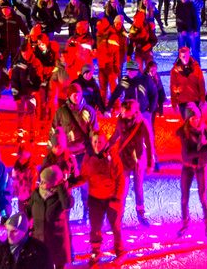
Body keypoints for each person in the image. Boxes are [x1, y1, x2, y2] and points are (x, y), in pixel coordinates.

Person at [80, 131, 125, 264]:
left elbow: (120, 178)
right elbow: (84, 175)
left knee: (115, 227)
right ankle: (95, 251)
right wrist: (70, 183)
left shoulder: (112, 156)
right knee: (95, 228)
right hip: (95, 198)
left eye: (100, 142)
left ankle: (120, 251)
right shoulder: (88, 157)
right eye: (94, 142)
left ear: (105, 142)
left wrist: (117, 198)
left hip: (111, 198)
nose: (97, 145)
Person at [109, 99, 153, 227]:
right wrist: (105, 148)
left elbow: (149, 144)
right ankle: (119, 215)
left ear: (132, 112)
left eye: (124, 110)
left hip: (138, 159)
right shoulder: (120, 121)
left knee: (138, 187)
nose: (121, 112)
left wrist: (150, 162)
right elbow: (115, 136)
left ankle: (141, 213)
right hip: (124, 158)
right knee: (122, 188)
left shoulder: (142, 123)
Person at [176, 103, 207, 238]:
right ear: (187, 120)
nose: (196, 121)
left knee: (203, 196)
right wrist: (203, 148)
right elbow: (187, 154)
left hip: (202, 167)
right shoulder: (183, 133)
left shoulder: (206, 130)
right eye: (192, 119)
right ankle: (185, 224)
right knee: (184, 197)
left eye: (197, 118)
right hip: (188, 166)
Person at [27, 165, 73, 269]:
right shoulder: (36, 194)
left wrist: (61, 187)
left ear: (54, 183)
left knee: (58, 265)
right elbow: (28, 211)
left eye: (45, 181)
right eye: (41, 180)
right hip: (39, 238)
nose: (41, 183)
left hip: (56, 239)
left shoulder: (61, 196)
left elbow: (67, 204)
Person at [169, 46, 206, 121]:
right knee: (187, 125)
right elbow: (173, 87)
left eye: (186, 56)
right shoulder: (175, 71)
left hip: (195, 100)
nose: (185, 58)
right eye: (183, 56)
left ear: (189, 55)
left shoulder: (196, 67)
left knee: (197, 122)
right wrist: (174, 103)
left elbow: (201, 83)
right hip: (183, 101)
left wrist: (202, 99)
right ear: (180, 56)